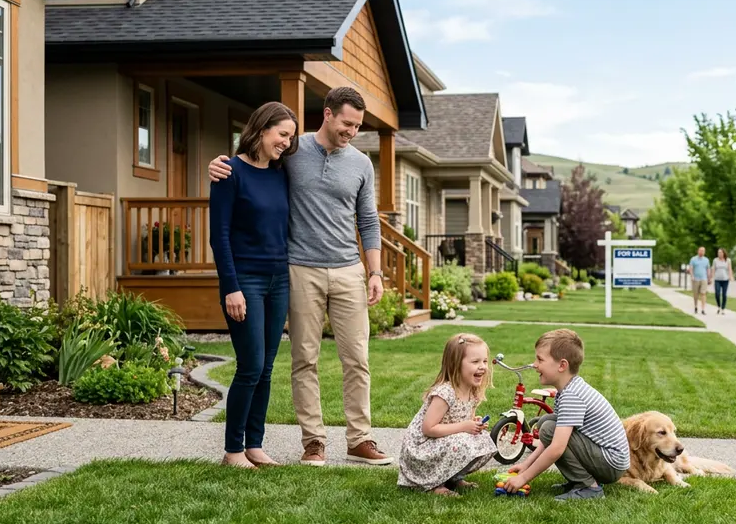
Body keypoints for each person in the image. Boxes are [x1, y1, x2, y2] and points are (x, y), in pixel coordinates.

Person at [208, 86, 392, 467]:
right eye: (347, 123)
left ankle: (360, 439)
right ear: (327, 114)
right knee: (303, 358)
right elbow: (252, 163)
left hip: (347, 269)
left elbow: (369, 220)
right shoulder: (293, 152)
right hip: (300, 269)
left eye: (357, 126)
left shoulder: (361, 164)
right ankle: (313, 442)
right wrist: (218, 164)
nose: (351, 132)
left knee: (357, 358)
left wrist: (375, 271)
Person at [209, 101, 298, 468]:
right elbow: (219, 236)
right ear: (262, 129)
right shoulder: (229, 172)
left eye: (291, 138)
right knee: (250, 365)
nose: (286, 143)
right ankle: (233, 450)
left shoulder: (281, 174)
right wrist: (231, 286)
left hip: (279, 280)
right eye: (282, 134)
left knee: (266, 368)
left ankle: (255, 445)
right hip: (244, 280)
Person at [503, 329, 630, 501]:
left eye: (540, 359)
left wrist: (523, 478)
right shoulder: (568, 390)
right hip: (607, 460)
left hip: (610, 464)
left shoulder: (572, 395)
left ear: (562, 365)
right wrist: (526, 465)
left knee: (549, 428)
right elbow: (550, 440)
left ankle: (589, 487)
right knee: (547, 421)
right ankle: (578, 482)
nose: (534, 364)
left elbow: (556, 447)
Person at [396, 333, 497, 496]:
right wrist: (464, 426)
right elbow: (428, 429)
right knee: (462, 441)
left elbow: (462, 419)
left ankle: (454, 478)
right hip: (422, 449)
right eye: (475, 362)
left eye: (485, 361)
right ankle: (435, 484)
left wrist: (473, 422)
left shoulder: (472, 391)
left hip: (442, 442)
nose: (483, 367)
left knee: (481, 439)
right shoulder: (445, 392)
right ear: (456, 364)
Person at [688, 247, 711, 314]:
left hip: (704, 279)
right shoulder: (693, 259)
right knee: (696, 294)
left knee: (703, 293)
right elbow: (691, 268)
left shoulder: (706, 260)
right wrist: (692, 276)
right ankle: (696, 306)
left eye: (703, 251)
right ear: (698, 251)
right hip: (695, 279)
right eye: (701, 250)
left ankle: (703, 309)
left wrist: (709, 278)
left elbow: (708, 269)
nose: (702, 252)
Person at [713, 248, 735, 314]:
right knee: (717, 294)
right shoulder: (715, 260)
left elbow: (730, 269)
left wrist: (731, 276)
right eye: (718, 252)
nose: (719, 254)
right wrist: (711, 277)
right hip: (717, 279)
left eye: (720, 252)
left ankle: (723, 308)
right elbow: (713, 269)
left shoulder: (728, 260)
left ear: (723, 253)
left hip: (725, 279)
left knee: (724, 294)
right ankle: (719, 306)